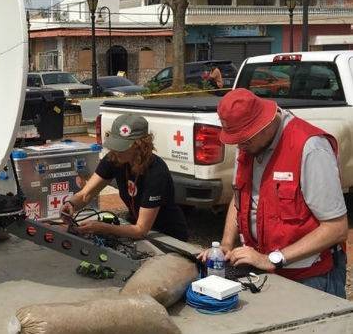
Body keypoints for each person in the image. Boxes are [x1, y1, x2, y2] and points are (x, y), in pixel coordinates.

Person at [198, 89, 348, 298]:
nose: (240, 145)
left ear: (266, 123)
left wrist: (272, 259)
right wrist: (225, 245)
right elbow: (239, 196)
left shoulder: (310, 148)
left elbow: (336, 228)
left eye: (245, 139)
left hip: (309, 277)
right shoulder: (249, 145)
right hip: (263, 271)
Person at [61, 114, 188, 241]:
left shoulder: (156, 172)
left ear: (140, 146)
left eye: (122, 147)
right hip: (135, 230)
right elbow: (85, 194)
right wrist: (71, 204)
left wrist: (103, 228)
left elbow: (141, 230)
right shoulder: (114, 158)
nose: (116, 151)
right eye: (115, 144)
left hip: (167, 236)